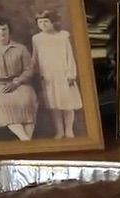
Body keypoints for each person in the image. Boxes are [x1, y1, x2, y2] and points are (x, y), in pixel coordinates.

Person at [32, 10, 83, 138]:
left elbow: (69, 55)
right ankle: (59, 131)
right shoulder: (37, 39)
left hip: (63, 74)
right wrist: (35, 71)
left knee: (67, 103)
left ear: (52, 22)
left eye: (46, 21)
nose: (43, 24)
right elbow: (35, 57)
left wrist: (71, 74)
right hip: (48, 75)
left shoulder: (62, 36)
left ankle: (69, 130)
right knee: (53, 105)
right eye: (40, 22)